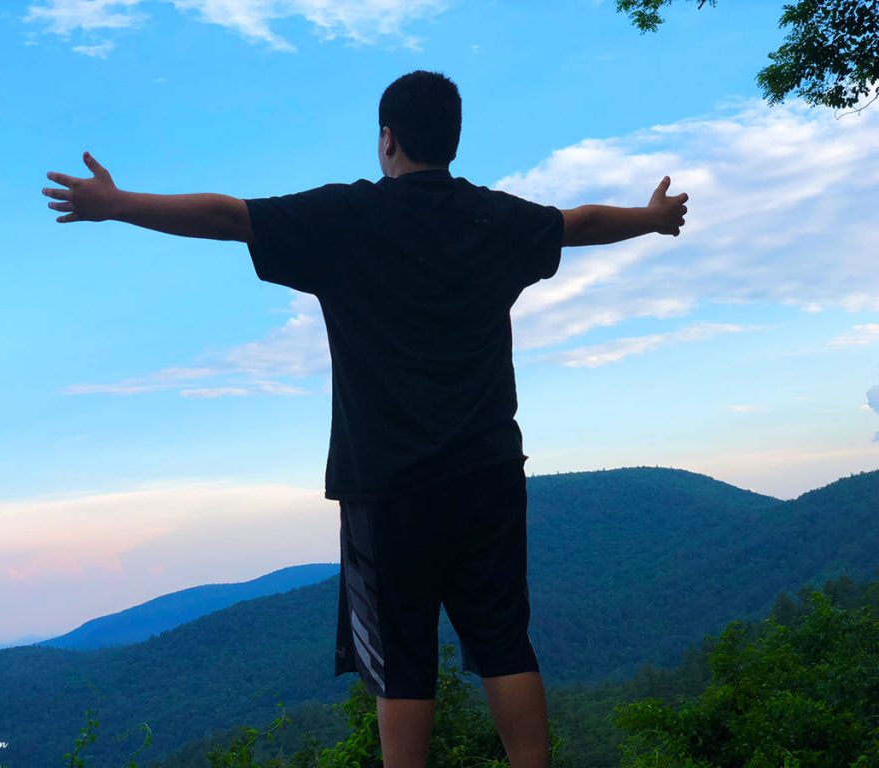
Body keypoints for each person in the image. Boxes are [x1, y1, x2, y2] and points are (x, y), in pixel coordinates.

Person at [41, 69, 688, 768]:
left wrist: (117, 204)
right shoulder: (495, 219)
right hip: (488, 471)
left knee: (402, 663)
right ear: (452, 139)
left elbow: (231, 218)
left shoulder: (346, 218)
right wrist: (651, 219)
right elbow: (581, 223)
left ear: (388, 139)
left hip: (388, 484)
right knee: (504, 643)